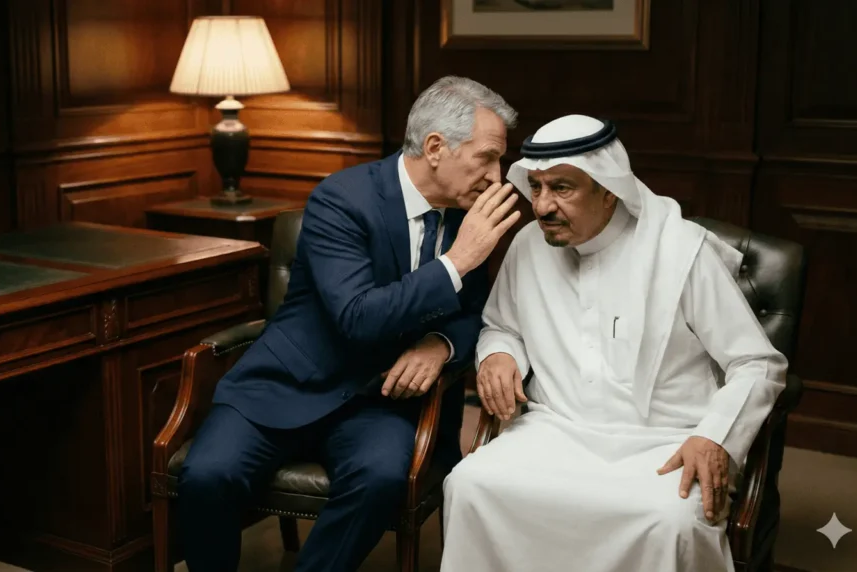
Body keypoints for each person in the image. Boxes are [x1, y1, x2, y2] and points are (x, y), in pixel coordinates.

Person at [177, 76, 522, 572]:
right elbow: (358, 317)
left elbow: (477, 313)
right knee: (208, 475)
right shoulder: (342, 200)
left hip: (380, 401)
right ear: (435, 147)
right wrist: (457, 261)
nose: (498, 175)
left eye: (501, 160)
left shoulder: (464, 213)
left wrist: (441, 345)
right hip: (287, 384)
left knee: (380, 480)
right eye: (487, 157)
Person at [439, 115, 788, 572]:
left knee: (671, 519)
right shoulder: (528, 245)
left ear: (609, 189)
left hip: (666, 440)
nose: (542, 206)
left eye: (562, 188)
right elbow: (502, 325)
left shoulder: (681, 251)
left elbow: (757, 362)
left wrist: (714, 436)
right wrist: (500, 353)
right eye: (537, 187)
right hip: (555, 429)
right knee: (470, 483)